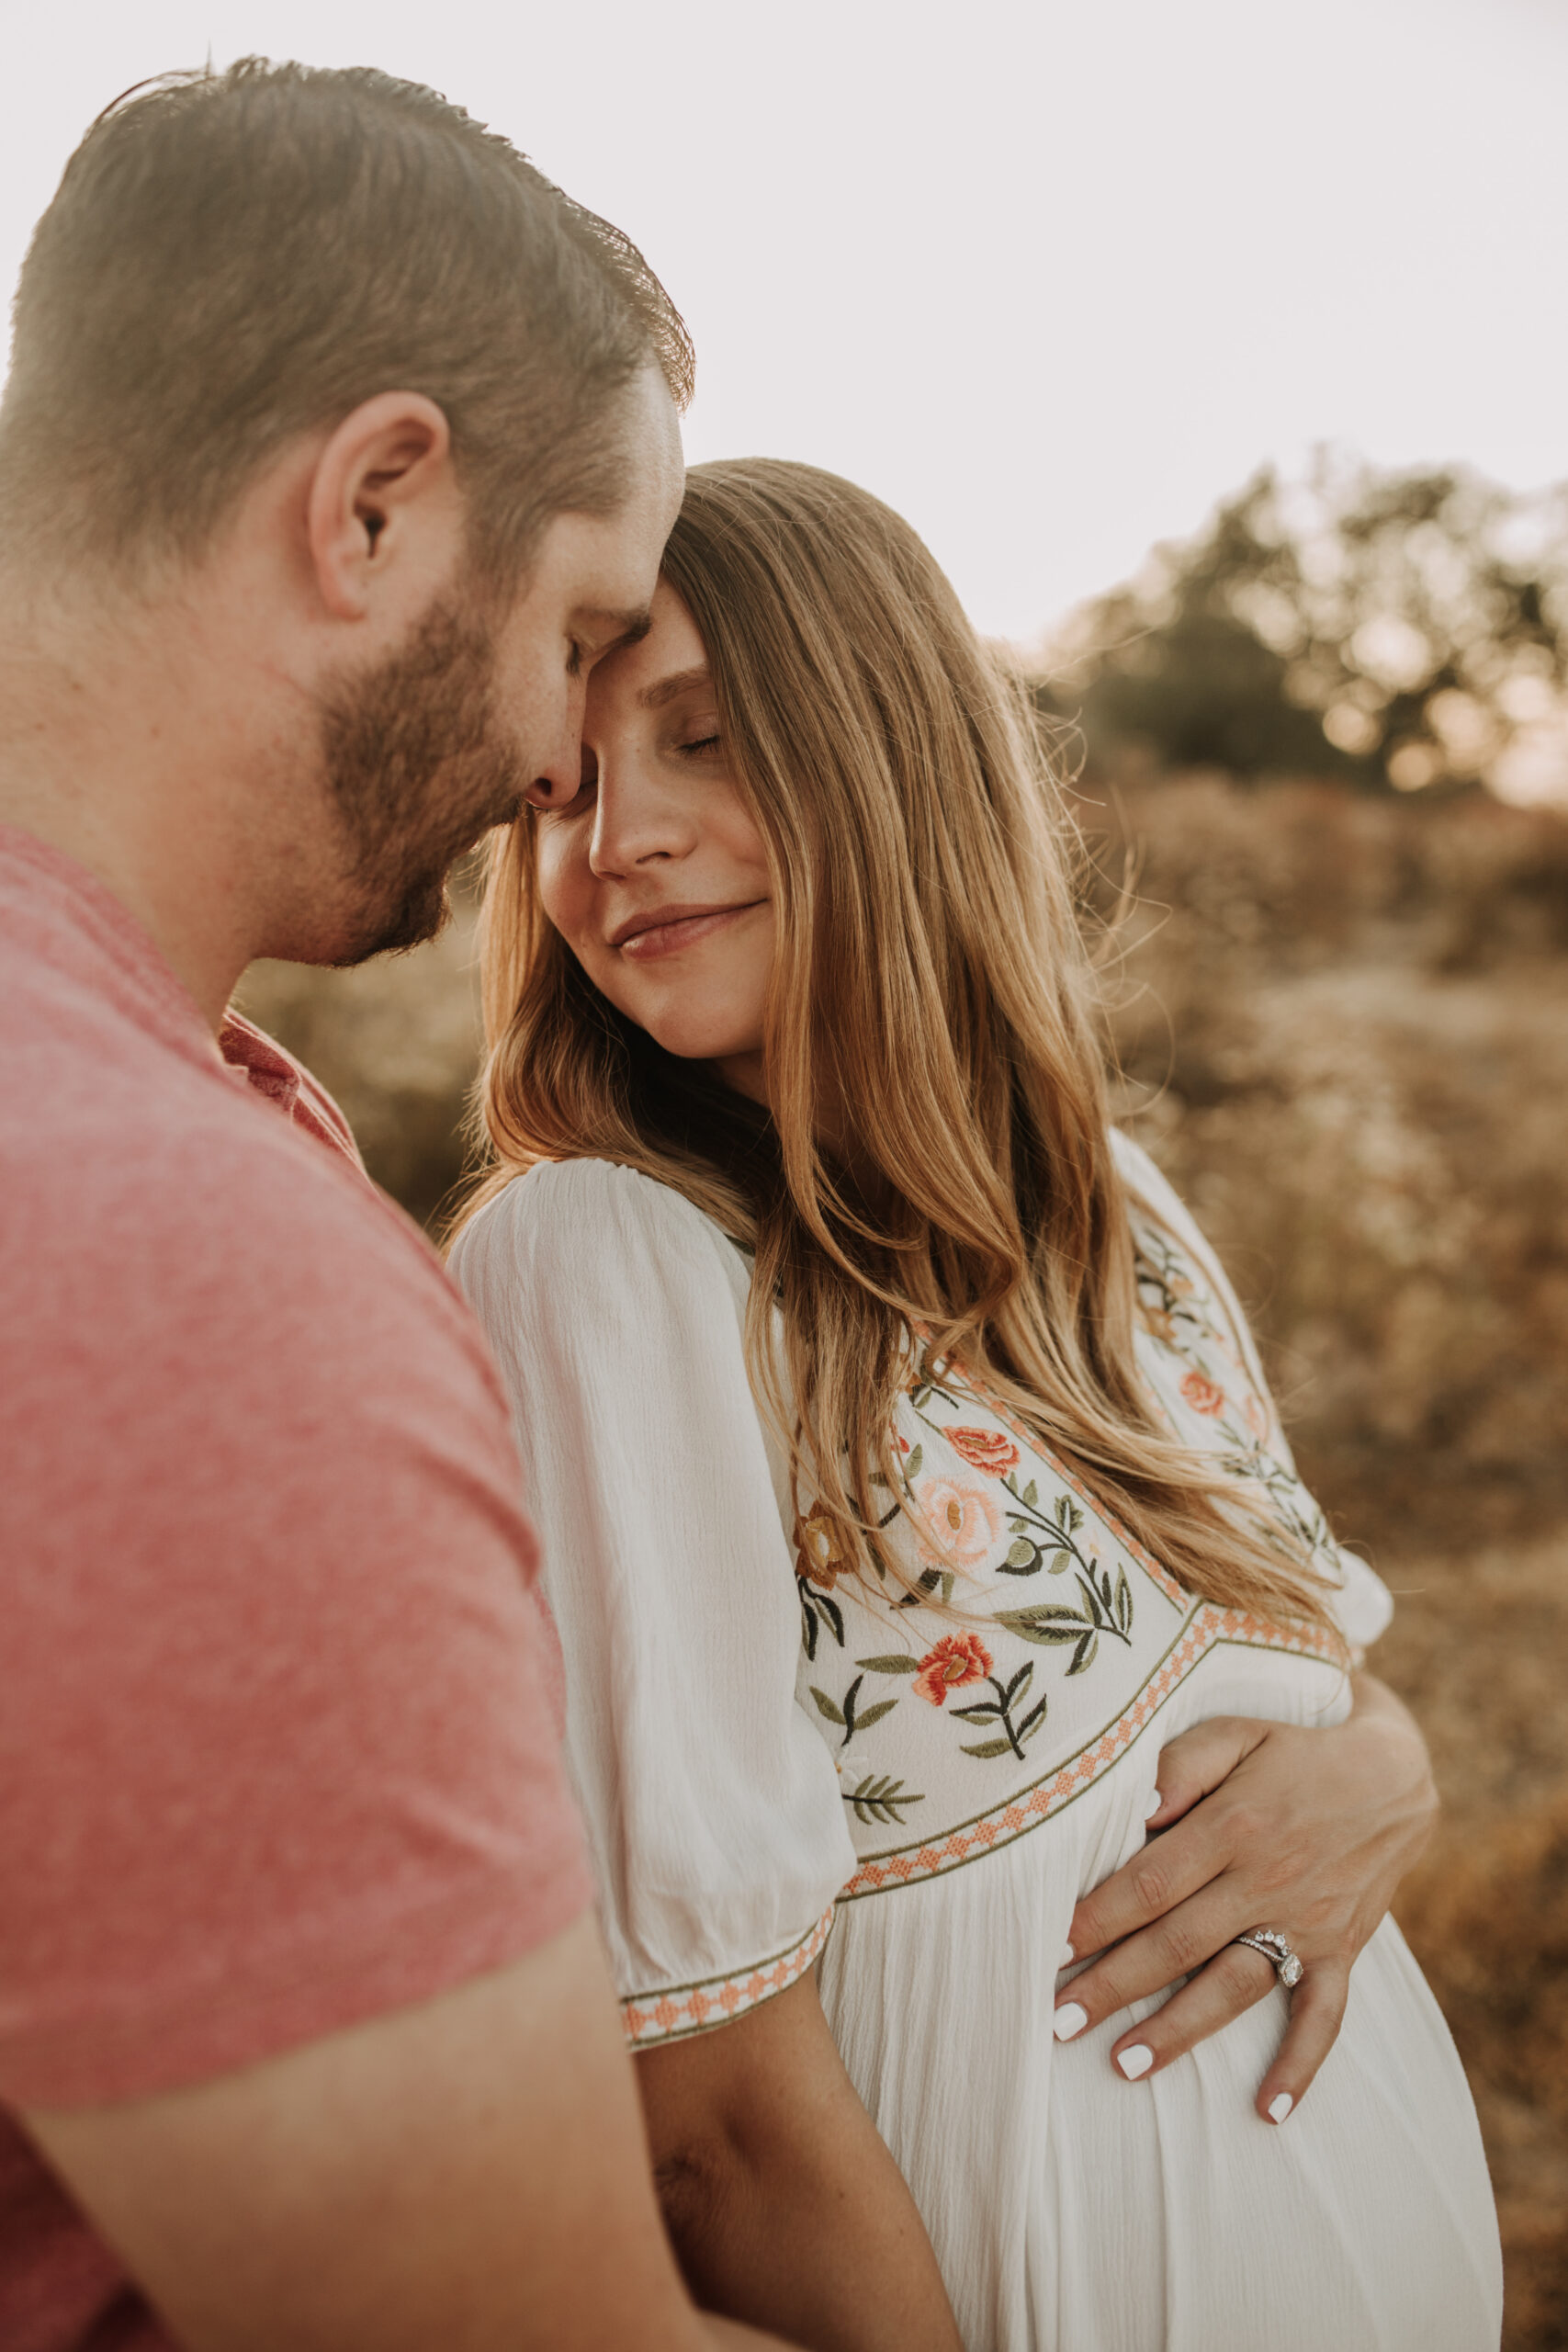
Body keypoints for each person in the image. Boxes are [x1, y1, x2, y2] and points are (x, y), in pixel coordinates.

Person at [449, 457, 1505, 2352]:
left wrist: (1385, 1766)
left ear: (891, 753)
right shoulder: (606, 1259)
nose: (616, 839)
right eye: (566, 785)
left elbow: (1295, 1674)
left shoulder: (1102, 1193)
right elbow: (702, 2125)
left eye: (700, 740)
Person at [0, 62, 798, 2352]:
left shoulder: (169, 1122)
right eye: (574, 634)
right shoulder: (171, 1274)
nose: (566, 765)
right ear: (372, 508)